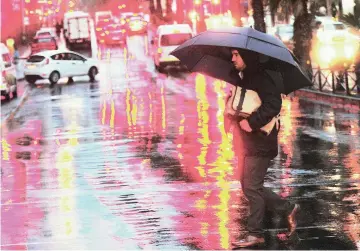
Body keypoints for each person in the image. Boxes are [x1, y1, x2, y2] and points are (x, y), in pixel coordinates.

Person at [225, 49, 300, 248]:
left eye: (236, 54)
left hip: (260, 141)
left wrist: (252, 122)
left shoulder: (261, 78)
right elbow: (243, 104)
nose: (232, 59)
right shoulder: (244, 78)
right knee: (248, 184)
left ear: (247, 56)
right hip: (246, 143)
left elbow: (273, 104)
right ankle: (287, 207)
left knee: (251, 186)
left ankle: (255, 233)